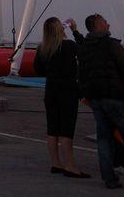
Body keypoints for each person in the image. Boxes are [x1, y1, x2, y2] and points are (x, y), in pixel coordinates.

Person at [78, 13, 124, 189]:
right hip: (117, 98)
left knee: (104, 139)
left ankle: (109, 178)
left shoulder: (85, 48)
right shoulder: (112, 45)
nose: (108, 24)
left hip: (97, 99)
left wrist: (86, 94)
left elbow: (82, 74)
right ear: (98, 25)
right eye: (105, 22)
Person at [33, 17, 88, 178]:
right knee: (66, 129)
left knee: (52, 128)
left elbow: (38, 70)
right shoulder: (69, 46)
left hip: (51, 90)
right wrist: (75, 30)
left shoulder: (42, 48)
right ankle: (69, 166)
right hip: (68, 90)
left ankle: (56, 163)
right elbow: (86, 51)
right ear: (61, 29)